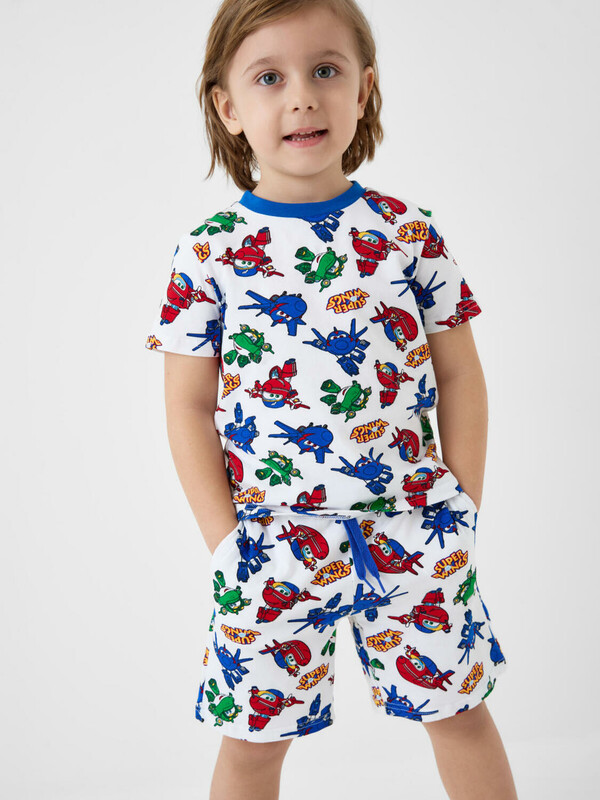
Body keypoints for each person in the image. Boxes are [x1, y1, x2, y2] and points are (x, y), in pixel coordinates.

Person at [144, 1, 519, 798]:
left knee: (460, 715)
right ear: (228, 107)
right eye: (269, 78)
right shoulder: (209, 253)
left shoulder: (409, 233)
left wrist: (463, 503)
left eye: (325, 70)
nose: (302, 98)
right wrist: (225, 545)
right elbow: (186, 407)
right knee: (252, 744)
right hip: (271, 543)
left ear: (364, 89)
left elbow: (461, 374)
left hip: (415, 527)